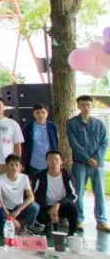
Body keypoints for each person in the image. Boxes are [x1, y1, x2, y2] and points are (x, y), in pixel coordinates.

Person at [66, 95, 108, 232]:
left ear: (92, 105)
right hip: (80, 164)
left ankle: (101, 221)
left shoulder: (99, 124)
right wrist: (88, 159)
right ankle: (78, 219)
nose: (86, 107)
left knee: (100, 193)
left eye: (88, 104)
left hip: (97, 165)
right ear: (78, 106)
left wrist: (96, 158)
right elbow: (74, 144)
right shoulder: (71, 123)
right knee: (78, 192)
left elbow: (104, 142)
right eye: (82, 104)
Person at [34, 150, 79, 235]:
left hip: (62, 206)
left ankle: (72, 233)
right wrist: (48, 210)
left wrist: (58, 204)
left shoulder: (67, 175)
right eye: (50, 159)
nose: (53, 162)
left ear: (61, 161)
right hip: (45, 206)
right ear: (46, 161)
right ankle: (48, 225)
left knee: (73, 207)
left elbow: (73, 195)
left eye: (56, 159)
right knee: (36, 209)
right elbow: (36, 195)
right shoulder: (40, 176)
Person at [0, 154, 39, 232]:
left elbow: (31, 197)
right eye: (11, 165)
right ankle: (12, 223)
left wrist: (18, 210)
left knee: (35, 207)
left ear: (20, 166)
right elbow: (0, 200)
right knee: (2, 228)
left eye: (16, 165)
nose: (14, 167)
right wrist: (9, 216)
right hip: (5, 208)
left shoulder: (24, 177)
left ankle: (26, 227)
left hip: (18, 208)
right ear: (6, 166)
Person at [22, 104, 58, 180]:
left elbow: (55, 143)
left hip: (50, 163)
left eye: (43, 112)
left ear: (47, 113)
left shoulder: (52, 126)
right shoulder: (28, 128)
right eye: (37, 112)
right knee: (35, 185)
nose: (40, 115)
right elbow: (24, 146)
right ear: (33, 114)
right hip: (34, 164)